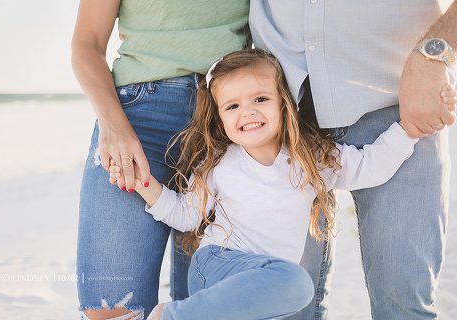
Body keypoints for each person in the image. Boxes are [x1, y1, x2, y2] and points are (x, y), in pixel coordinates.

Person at [108, 49, 455, 320]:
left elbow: (371, 167)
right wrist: (141, 181)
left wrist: (408, 129)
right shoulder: (219, 164)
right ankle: (168, 315)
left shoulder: (312, 159)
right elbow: (184, 215)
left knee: (288, 288)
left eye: (260, 99)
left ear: (283, 103)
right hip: (217, 265)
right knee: (297, 284)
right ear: (221, 118)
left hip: (266, 284)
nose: (248, 111)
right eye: (232, 106)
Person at [249, 1, 457, 319]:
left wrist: (434, 55)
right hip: (284, 110)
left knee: (403, 307)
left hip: (401, 108)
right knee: (287, 307)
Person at [71, 1, 250, 319]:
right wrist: (113, 124)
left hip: (224, 124)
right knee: (111, 309)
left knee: (207, 310)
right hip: (135, 120)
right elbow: (87, 42)